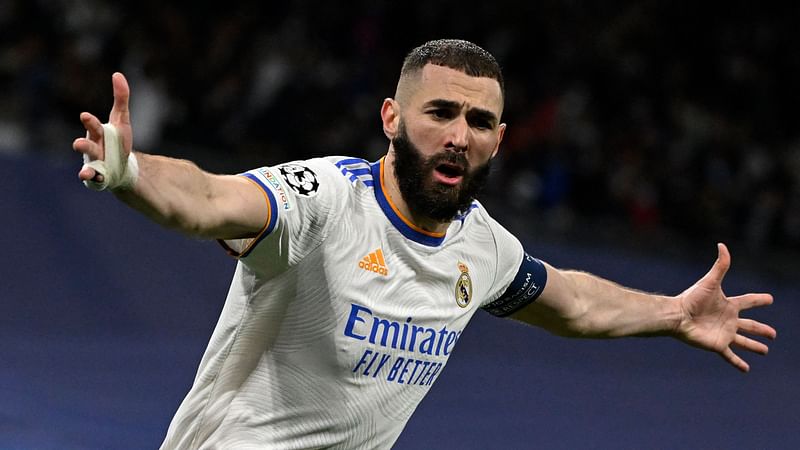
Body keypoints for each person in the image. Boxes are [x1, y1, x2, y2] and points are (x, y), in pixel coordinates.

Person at [73, 39, 776, 449]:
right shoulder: (324, 200)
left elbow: (573, 303)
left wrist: (673, 314)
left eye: (479, 120)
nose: (458, 134)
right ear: (392, 118)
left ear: (499, 139)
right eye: (440, 112)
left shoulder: (484, 249)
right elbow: (210, 200)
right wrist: (131, 172)